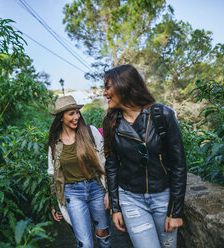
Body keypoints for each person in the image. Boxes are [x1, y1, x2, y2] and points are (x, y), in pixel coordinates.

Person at [102, 64, 187, 248]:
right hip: (130, 199)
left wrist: (176, 211)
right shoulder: (110, 122)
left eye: (108, 87)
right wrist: (116, 209)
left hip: (162, 198)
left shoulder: (162, 115)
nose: (104, 93)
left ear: (123, 85)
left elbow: (179, 165)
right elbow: (112, 165)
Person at [47, 95, 111, 248]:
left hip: (96, 189)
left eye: (77, 112)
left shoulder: (90, 132)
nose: (76, 117)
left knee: (103, 234)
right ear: (61, 118)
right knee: (85, 243)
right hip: (72, 193)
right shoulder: (55, 143)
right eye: (71, 114)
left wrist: (109, 191)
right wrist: (54, 203)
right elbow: (52, 174)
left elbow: (105, 161)